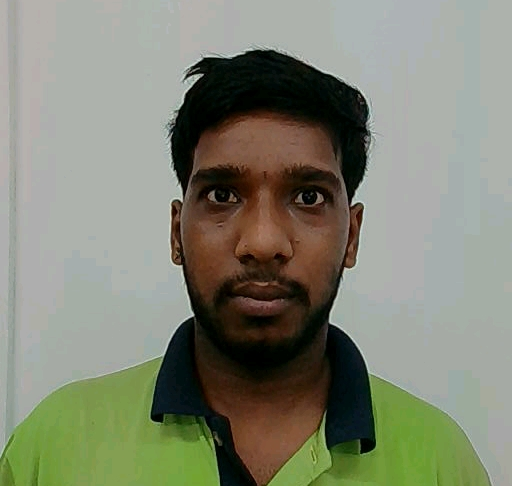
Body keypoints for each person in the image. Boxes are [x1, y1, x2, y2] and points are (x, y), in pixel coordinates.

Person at [0, 48, 491, 486]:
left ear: (352, 235)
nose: (263, 242)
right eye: (222, 195)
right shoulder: (54, 450)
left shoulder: (440, 463)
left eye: (308, 197)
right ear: (176, 231)